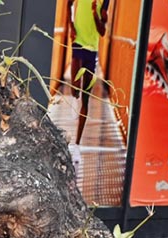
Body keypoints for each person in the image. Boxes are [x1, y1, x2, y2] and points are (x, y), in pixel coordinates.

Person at [69, 0, 109, 146]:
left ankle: (77, 143)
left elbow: (102, 31)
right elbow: (68, 4)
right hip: (78, 42)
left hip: (92, 50)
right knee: (75, 86)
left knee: (86, 97)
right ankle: (74, 96)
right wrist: (70, 26)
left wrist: (94, 13)